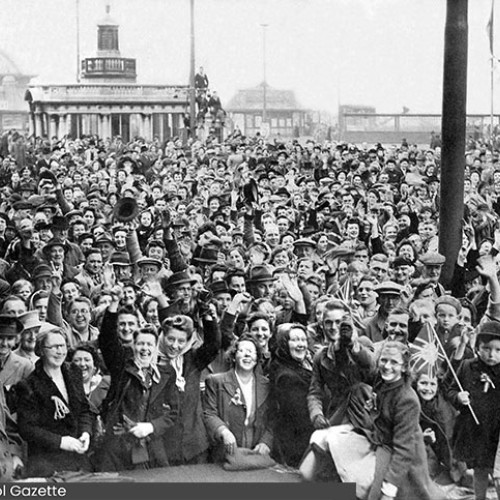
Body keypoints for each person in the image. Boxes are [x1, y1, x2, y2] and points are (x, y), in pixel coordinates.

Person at [301, 341, 444, 500]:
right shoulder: (382, 382)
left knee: (375, 491)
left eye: (394, 362)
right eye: (384, 360)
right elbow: (363, 366)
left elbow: (404, 449)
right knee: (325, 438)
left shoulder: (407, 399)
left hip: (400, 457)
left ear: (404, 368)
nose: (387, 366)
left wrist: (390, 487)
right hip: (378, 440)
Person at [97, 286, 175, 471]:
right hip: (119, 444)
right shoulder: (121, 365)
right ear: (133, 345)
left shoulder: (166, 374)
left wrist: (150, 426)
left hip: (152, 444)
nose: (145, 348)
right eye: (140, 343)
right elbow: (107, 338)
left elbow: (173, 413)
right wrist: (114, 303)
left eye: (150, 344)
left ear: (157, 346)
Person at [16, 329, 92, 477]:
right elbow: (27, 428)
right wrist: (60, 441)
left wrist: (85, 432)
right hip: (46, 462)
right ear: (41, 350)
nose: (60, 351)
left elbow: (84, 410)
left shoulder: (73, 372)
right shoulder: (28, 385)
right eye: (54, 347)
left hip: (78, 458)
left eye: (63, 346)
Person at [445, 321, 500, 500]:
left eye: (498, 350)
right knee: (480, 470)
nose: (492, 354)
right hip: (476, 430)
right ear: (477, 347)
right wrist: (458, 397)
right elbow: (450, 390)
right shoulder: (468, 366)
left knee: (498, 473)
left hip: (496, 432)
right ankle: (480, 497)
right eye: (486, 348)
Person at [203, 334, 273, 462]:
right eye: (242, 351)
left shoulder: (267, 385)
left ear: (257, 358)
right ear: (234, 356)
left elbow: (273, 419)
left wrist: (266, 442)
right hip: (224, 454)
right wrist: (223, 431)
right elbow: (209, 414)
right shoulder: (215, 381)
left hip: (256, 455)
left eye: (251, 352)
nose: (247, 355)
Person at [268, 323, 314, 467]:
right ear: (283, 344)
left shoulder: (298, 366)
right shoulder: (286, 376)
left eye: (303, 339)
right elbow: (301, 417)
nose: (301, 344)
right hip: (297, 446)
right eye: (295, 340)